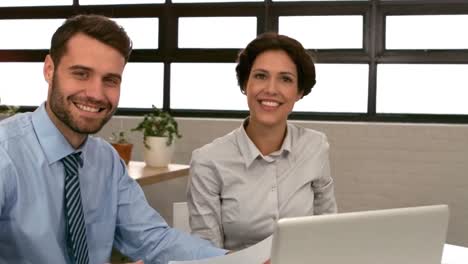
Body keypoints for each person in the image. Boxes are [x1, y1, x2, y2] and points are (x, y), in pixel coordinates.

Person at [0, 14, 228, 264]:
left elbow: (153, 239)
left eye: (110, 80)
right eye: (81, 74)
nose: (96, 94)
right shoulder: (6, 155)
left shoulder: (106, 160)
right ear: (49, 69)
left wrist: (239, 261)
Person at [187, 32, 338, 250]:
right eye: (260, 76)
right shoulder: (208, 161)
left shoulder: (315, 146)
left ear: (299, 92)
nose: (271, 89)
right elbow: (207, 252)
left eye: (285, 79)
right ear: (245, 84)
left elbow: (327, 229)